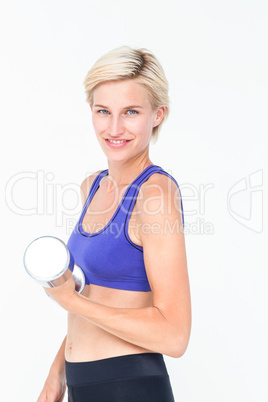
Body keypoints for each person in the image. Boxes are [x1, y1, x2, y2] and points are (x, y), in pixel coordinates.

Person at [37, 46, 191, 402]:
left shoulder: (154, 196)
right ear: (90, 110)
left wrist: (71, 303)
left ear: (157, 115)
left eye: (131, 112)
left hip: (130, 387)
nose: (115, 128)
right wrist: (56, 373)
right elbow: (99, 296)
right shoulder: (93, 186)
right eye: (103, 111)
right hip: (81, 384)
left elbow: (175, 335)